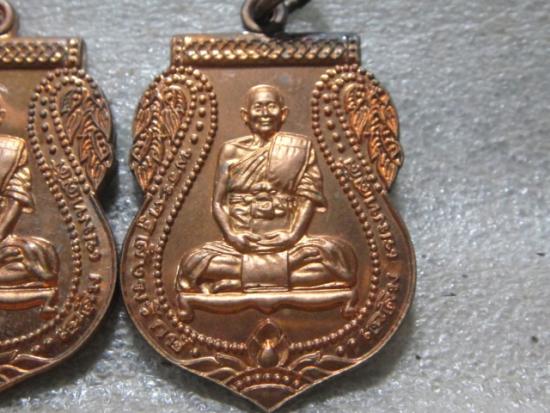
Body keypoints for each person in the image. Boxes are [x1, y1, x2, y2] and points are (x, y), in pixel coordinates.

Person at [176, 84, 357, 294]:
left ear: (283, 113)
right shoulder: (230, 151)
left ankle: (238, 281)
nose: (265, 113)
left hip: (289, 243)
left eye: (271, 106)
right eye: (258, 107)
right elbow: (218, 202)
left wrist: (292, 236)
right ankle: (281, 275)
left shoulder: (299, 148)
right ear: (245, 115)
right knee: (192, 263)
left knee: (341, 261)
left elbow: (308, 197)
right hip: (242, 244)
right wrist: (233, 236)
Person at [0, 92, 59, 310]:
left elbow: (16, 198)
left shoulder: (12, 151)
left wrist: (0, 234)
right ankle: (41, 295)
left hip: (2, 237)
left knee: (36, 256)